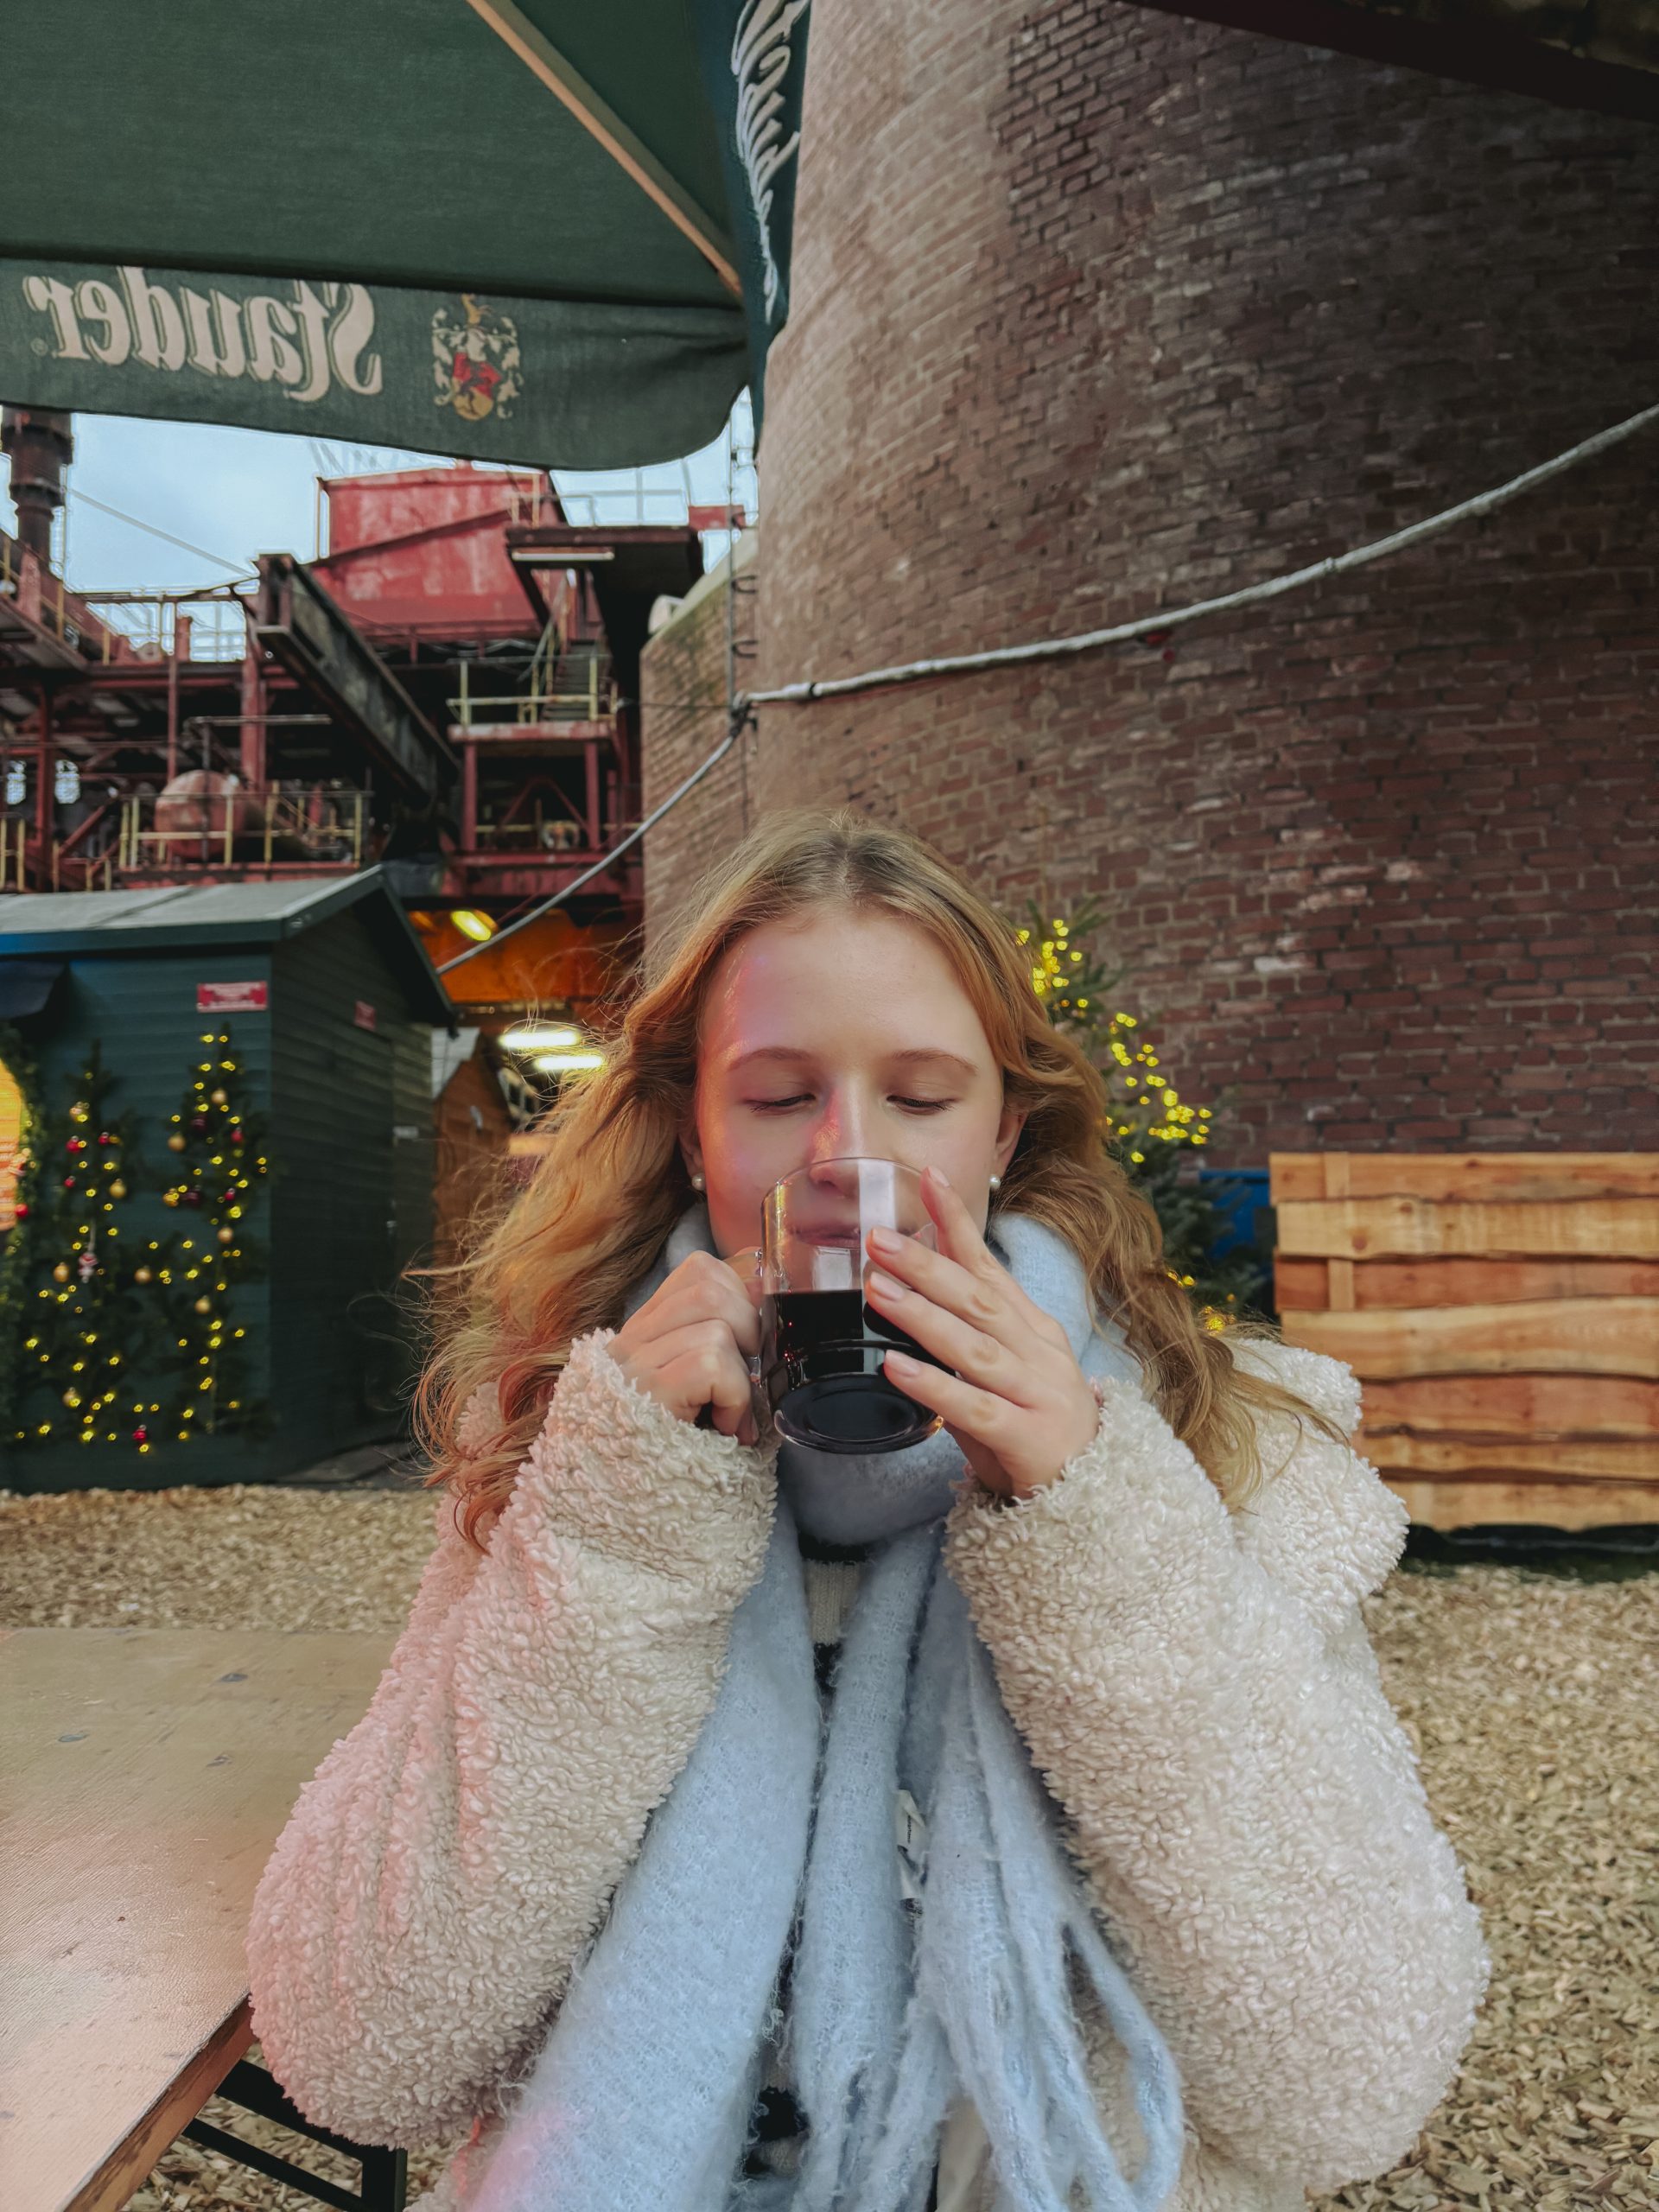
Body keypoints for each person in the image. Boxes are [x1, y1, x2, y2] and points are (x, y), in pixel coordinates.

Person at [245, 809, 1490, 2212]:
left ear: (1006, 1133)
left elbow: (1351, 2083)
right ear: (694, 1134)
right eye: (777, 1099)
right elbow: (356, 2051)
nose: (847, 1160)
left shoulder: (1223, 1446)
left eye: (920, 1096)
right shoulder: (570, 1447)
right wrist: (613, 1537)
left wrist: (1092, 1519)